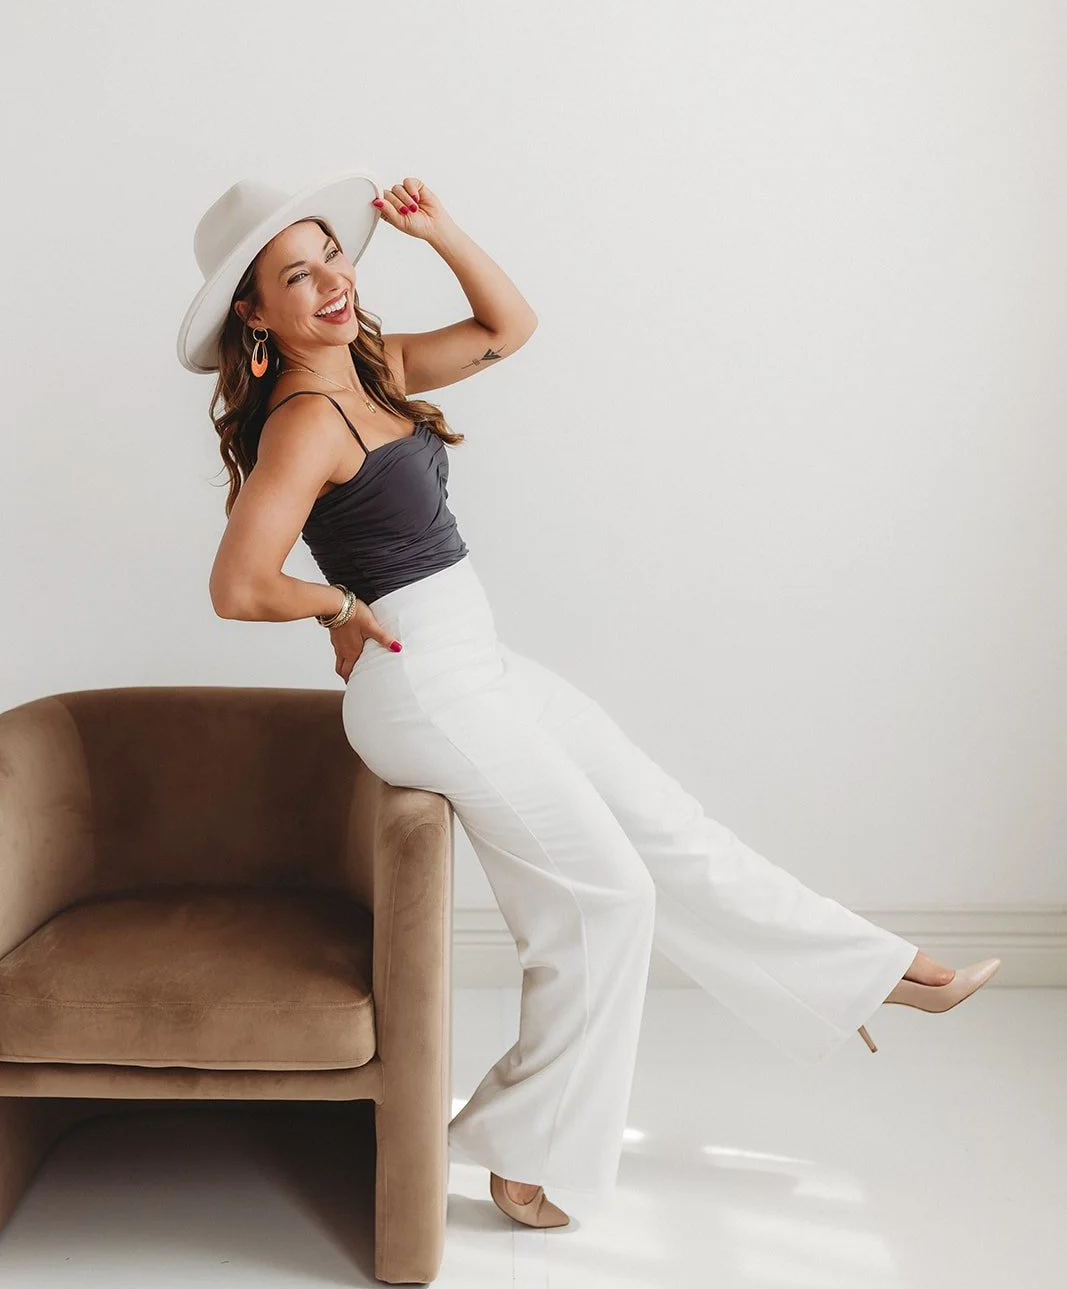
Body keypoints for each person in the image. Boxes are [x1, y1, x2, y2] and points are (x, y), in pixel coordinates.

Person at [177, 168, 1001, 1231]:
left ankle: (880, 971)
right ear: (254, 312)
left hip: (473, 654)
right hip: (421, 678)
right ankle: (522, 1152)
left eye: (333, 253)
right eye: (298, 274)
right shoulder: (301, 418)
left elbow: (507, 326)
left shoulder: (373, 367)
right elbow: (237, 585)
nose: (332, 280)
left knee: (665, 825)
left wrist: (440, 231)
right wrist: (339, 604)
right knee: (609, 896)